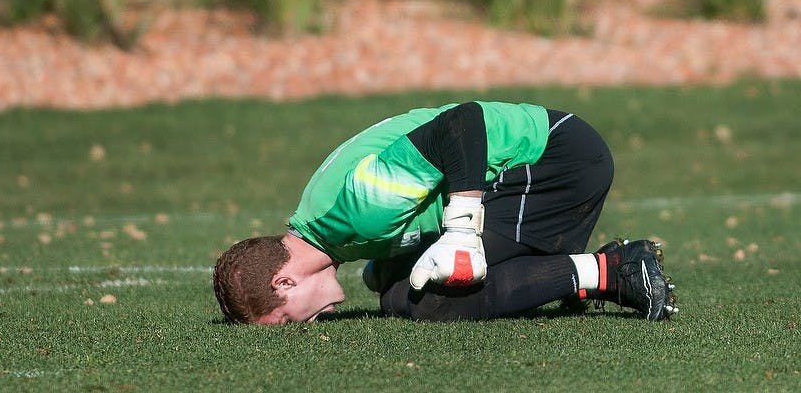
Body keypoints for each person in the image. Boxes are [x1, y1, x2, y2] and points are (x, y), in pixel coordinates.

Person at [212, 101, 678, 324]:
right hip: (541, 158)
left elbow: (462, 122)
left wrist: (460, 231)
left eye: (290, 319)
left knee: (412, 301)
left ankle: (613, 271)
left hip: (557, 161)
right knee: (392, 280)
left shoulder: (358, 212)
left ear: (284, 282)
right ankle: (566, 271)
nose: (305, 325)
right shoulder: (322, 223)